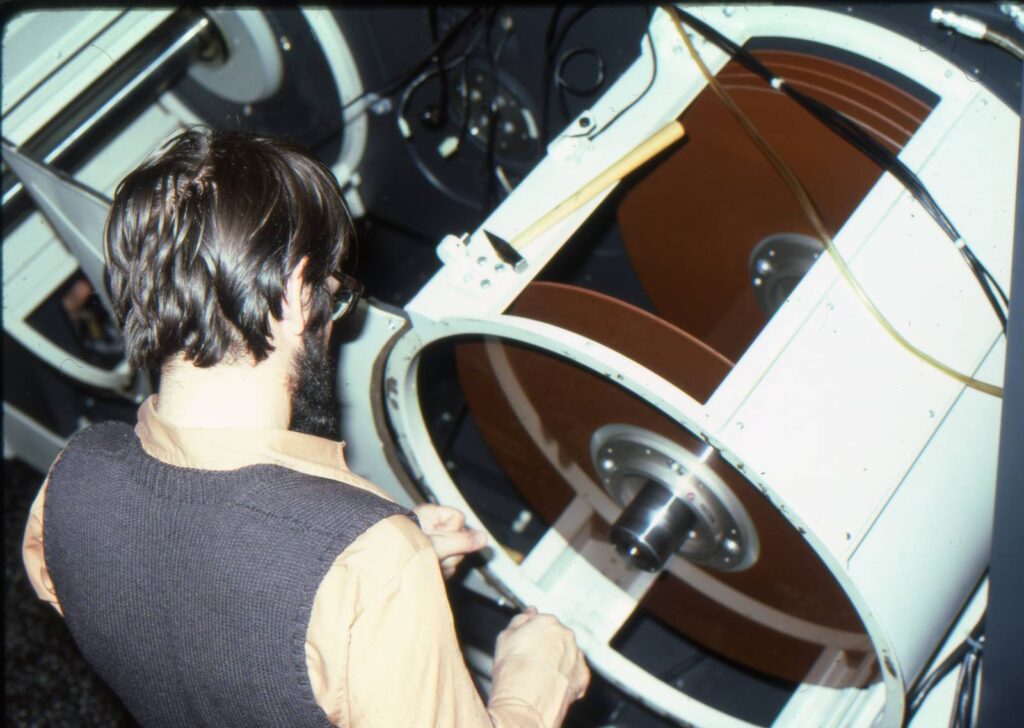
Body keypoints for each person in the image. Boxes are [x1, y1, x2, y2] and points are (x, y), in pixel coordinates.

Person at [21, 127, 589, 727]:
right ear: (295, 293)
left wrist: (364, 598)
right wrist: (534, 682)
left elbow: (178, 608)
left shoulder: (65, 482)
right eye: (334, 298)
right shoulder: (374, 563)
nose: (332, 322)